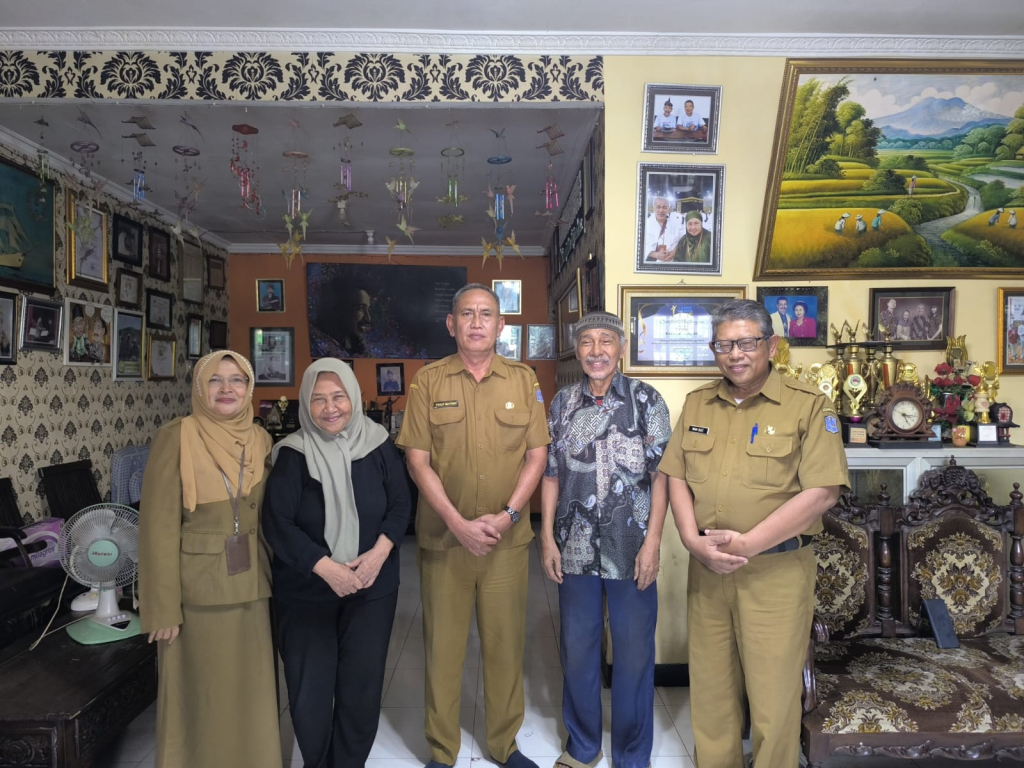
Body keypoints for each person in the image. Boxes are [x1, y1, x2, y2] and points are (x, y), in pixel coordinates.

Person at [658, 299, 848, 768]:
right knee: (711, 692)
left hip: (775, 571)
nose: (735, 354)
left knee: (772, 699)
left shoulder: (808, 405)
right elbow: (675, 474)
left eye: (746, 343)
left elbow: (822, 492)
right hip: (708, 569)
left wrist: (747, 544)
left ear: (772, 345)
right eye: (724, 345)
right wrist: (690, 539)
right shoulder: (699, 402)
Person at [396, 283, 550, 768]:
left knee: (505, 648)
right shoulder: (428, 382)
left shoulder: (523, 381)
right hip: (446, 542)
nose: (477, 322)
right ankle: (443, 751)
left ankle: (505, 745)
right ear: (452, 324)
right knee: (442, 651)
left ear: (501, 326)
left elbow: (537, 456)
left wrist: (508, 516)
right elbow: (417, 461)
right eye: (467, 314)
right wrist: (457, 523)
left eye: (486, 314)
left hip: (507, 544)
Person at [263, 359, 411, 768]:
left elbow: (401, 505)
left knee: (361, 689)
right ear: (305, 404)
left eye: (339, 397)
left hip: (371, 589)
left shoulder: (378, 443)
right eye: (318, 399)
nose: (330, 408)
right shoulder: (292, 454)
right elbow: (278, 523)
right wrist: (327, 568)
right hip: (306, 594)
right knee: (309, 692)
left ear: (354, 398)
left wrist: (379, 554)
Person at [540, 312, 671, 768]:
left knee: (634, 654)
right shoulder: (562, 403)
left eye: (606, 341)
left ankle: (632, 755)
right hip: (573, 547)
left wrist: (653, 544)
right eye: (587, 342)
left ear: (621, 348)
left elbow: (662, 478)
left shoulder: (646, 400)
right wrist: (546, 538)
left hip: (631, 547)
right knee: (578, 650)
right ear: (577, 351)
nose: (596, 351)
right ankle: (583, 746)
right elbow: (550, 474)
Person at [138, 350, 280, 768]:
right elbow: (157, 528)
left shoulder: (260, 439)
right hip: (197, 594)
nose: (226, 389)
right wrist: (161, 608)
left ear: (249, 387)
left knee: (250, 692)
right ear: (200, 387)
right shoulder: (176, 436)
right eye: (215, 380)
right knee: (200, 695)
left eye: (237, 380)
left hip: (253, 586)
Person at [317, 283, 374, 356]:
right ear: (340, 309)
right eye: (360, 308)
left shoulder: (359, 348)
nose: (368, 318)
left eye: (368, 309)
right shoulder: (319, 347)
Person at [643, 196, 684, 262]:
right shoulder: (645, 224)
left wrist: (674, 252)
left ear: (668, 209)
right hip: (652, 263)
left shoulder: (675, 223)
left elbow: (682, 240)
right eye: (658, 207)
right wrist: (655, 255)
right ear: (653, 208)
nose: (661, 210)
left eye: (664, 207)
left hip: (671, 261)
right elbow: (640, 245)